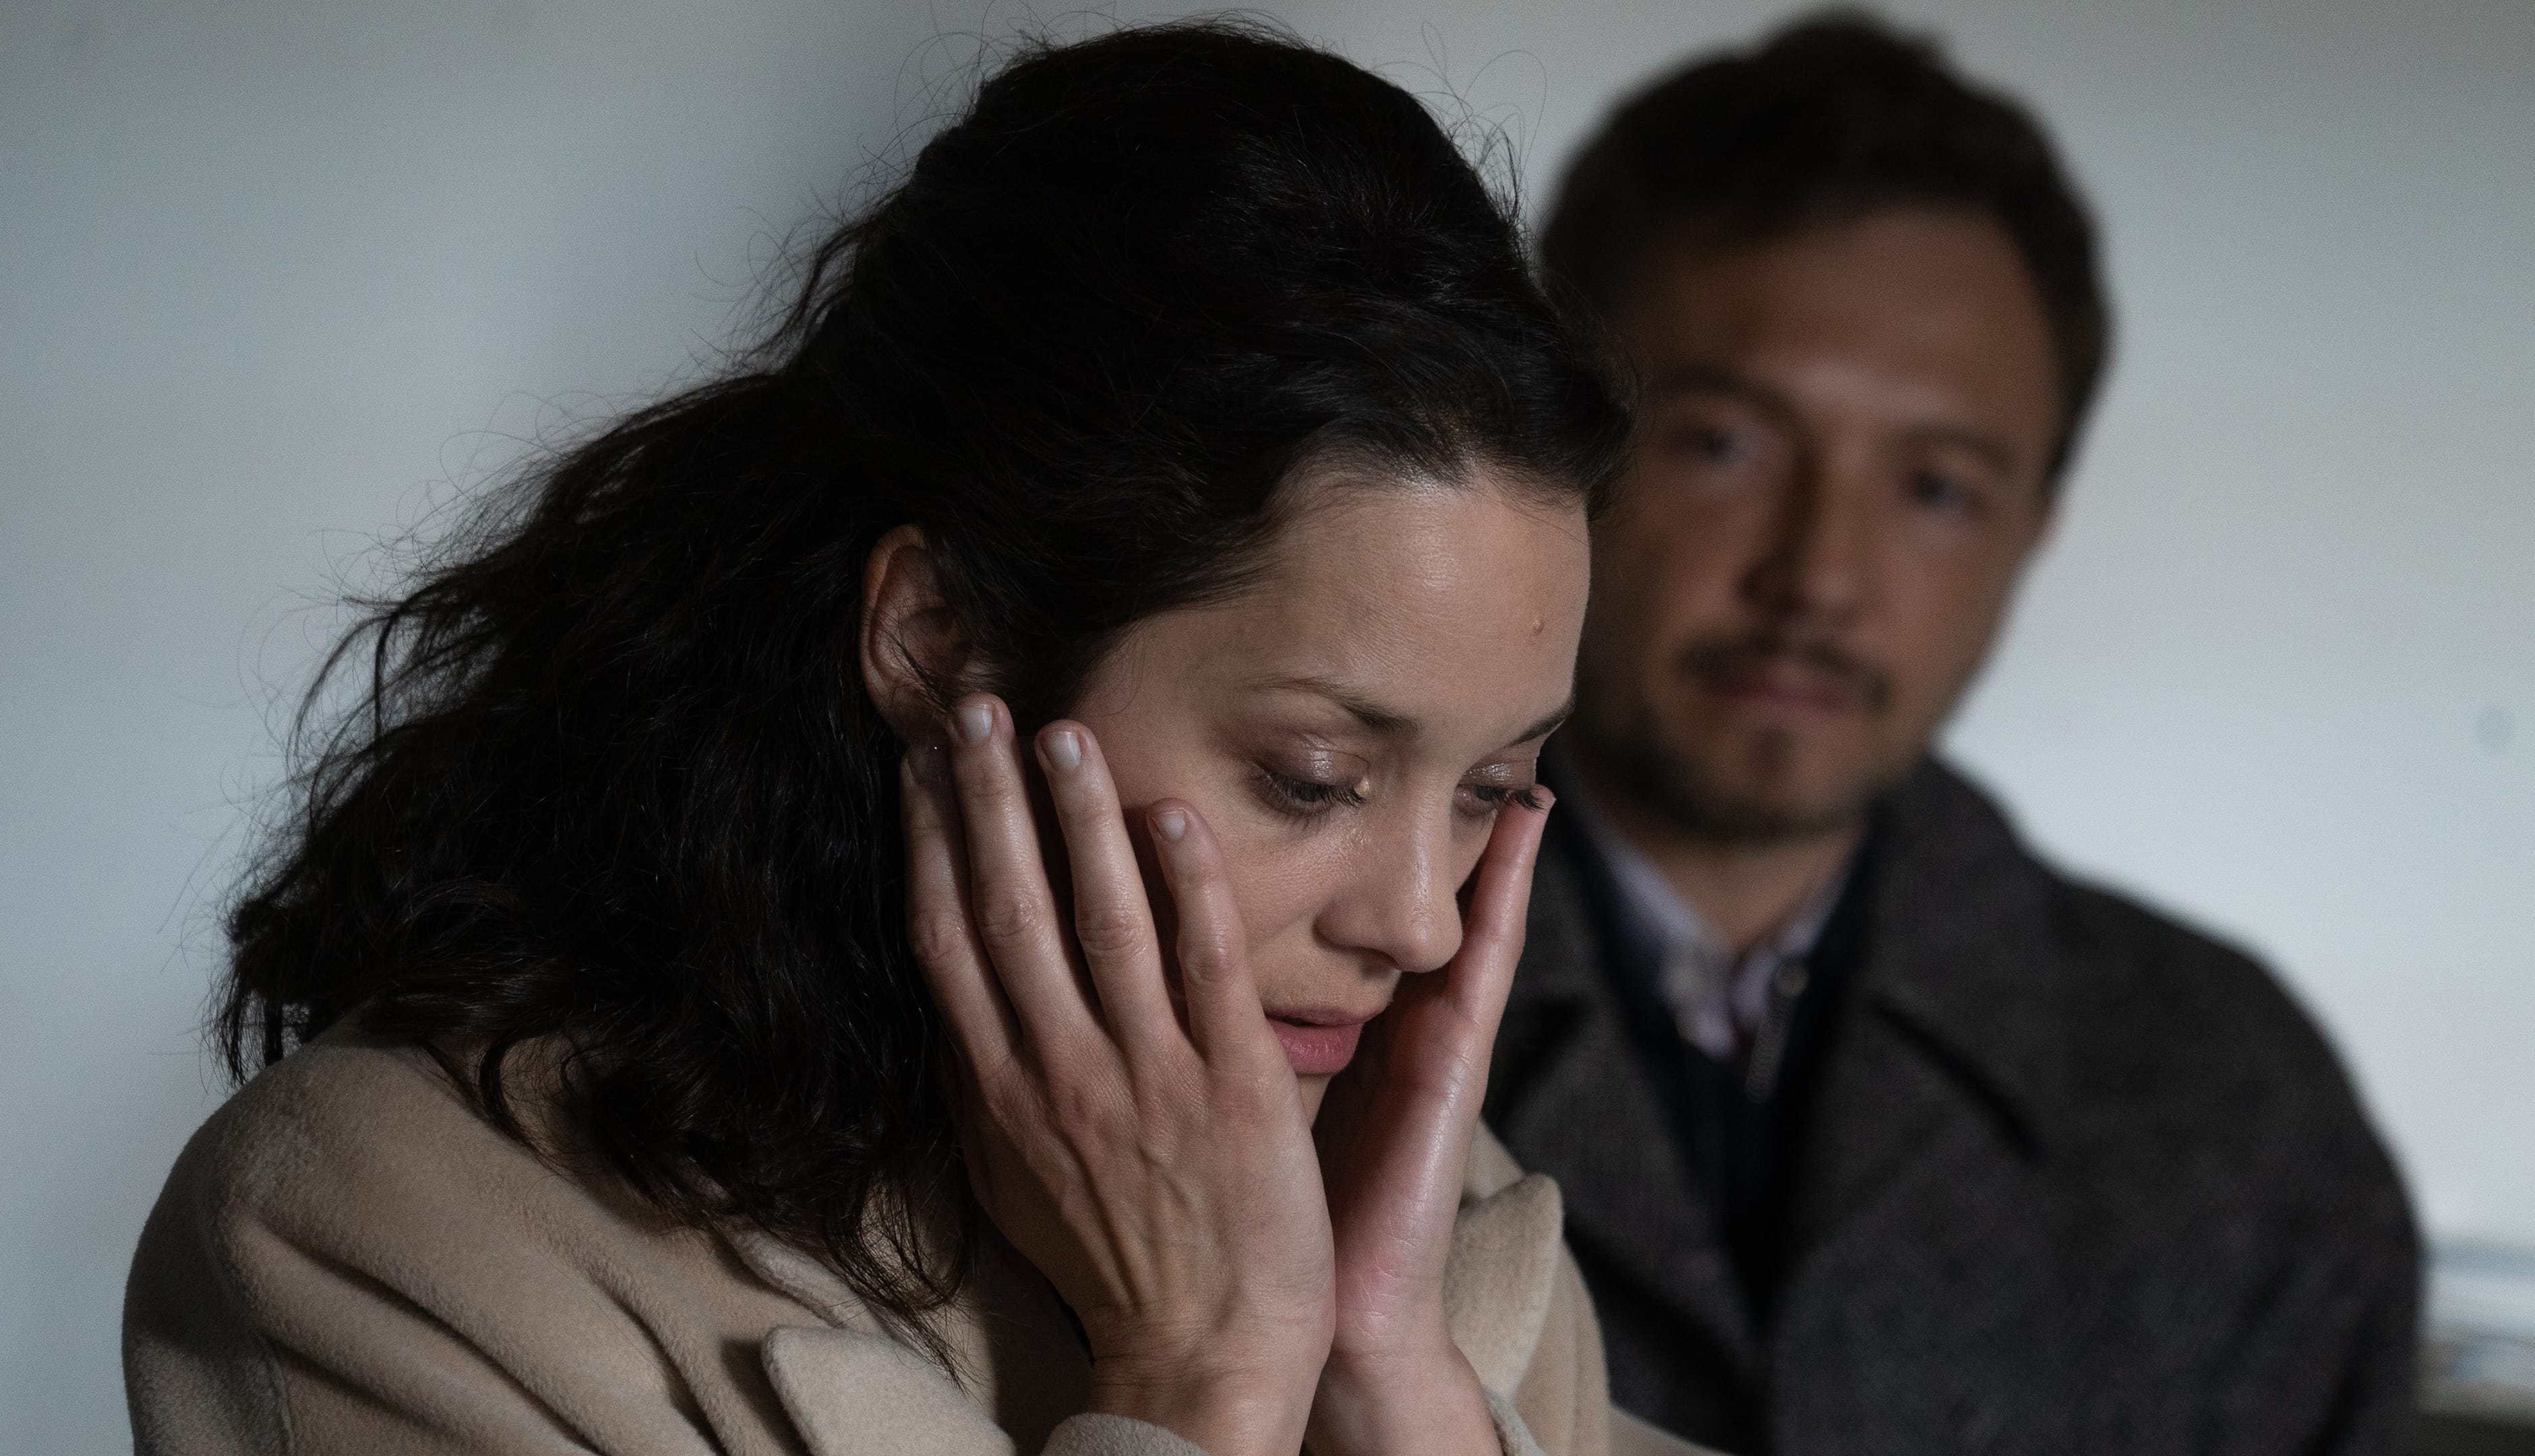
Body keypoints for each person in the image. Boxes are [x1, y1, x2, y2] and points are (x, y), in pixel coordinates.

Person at [122, 24, 1673, 1456]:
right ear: (937, 642)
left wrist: (1394, 1384)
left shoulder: (1419, 1220)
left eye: (1491, 788)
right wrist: (1199, 1375)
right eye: (1312, 779)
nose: (1420, 920)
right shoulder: (381, 1233)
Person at [1483, 13, 2419, 1455]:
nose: (1819, 578)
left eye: (1935, 487)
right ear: (1550, 441)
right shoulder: (1291, 995)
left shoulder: (2236, 1106)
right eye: (1724, 443)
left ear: (2032, 532)